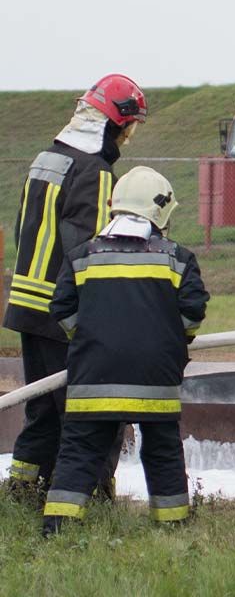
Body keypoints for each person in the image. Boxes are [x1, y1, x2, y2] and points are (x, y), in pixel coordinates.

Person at [41, 167, 209, 535]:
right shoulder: (177, 259)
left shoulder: (81, 256)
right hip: (155, 381)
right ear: (159, 210)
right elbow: (193, 311)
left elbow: (63, 309)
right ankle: (173, 527)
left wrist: (89, 338)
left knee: (79, 454)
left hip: (94, 379)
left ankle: (57, 528)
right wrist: (169, 341)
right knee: (162, 452)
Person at [3, 75, 147, 501]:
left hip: (28, 305)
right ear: (110, 124)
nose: (127, 137)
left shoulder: (46, 159)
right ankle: (89, 497)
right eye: (127, 127)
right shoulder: (95, 172)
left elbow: (22, 229)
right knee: (90, 412)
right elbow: (88, 249)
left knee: (43, 407)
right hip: (62, 312)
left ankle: (23, 491)